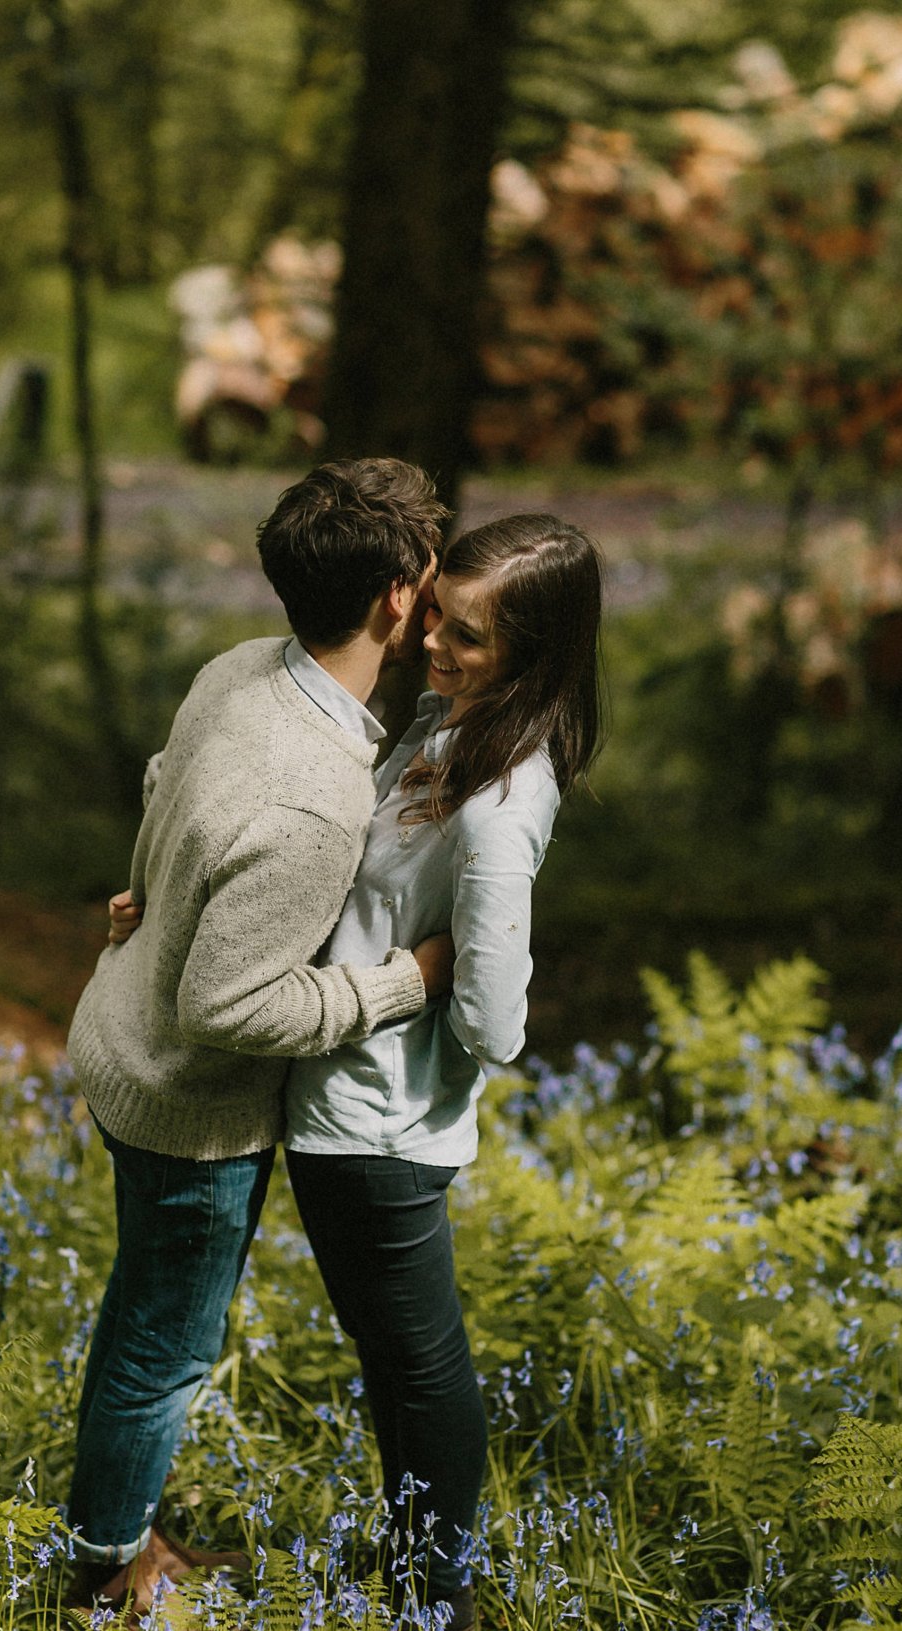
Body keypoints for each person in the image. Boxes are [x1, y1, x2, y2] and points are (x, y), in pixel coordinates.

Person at [62, 458, 455, 1619]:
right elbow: (226, 1007)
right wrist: (400, 982)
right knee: (165, 1346)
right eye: (428, 569)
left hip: (119, 1030)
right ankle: (105, 1571)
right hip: (188, 1108)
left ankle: (119, 1524)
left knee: (138, 1310)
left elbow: (168, 785)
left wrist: (150, 893)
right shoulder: (315, 795)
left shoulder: (240, 667)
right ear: (397, 594)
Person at [282, 513, 604, 1628]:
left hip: (383, 1124)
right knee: (392, 1361)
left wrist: (413, 999)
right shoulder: (438, 728)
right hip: (340, 1105)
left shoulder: (502, 802)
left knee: (424, 1372)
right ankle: (414, 1569)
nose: (431, 642)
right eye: (435, 615)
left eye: (467, 635)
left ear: (533, 656)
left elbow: (496, 1021)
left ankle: (439, 1596)